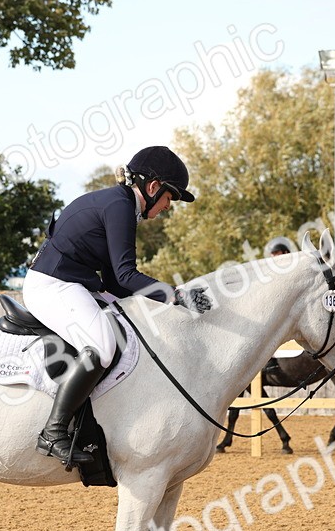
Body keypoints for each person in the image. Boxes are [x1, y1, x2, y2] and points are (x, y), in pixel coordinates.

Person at [23, 145, 212, 466]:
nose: (168, 206)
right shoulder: (119, 207)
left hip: (73, 284)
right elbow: (126, 275)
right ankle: (53, 431)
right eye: (169, 197)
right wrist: (176, 295)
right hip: (52, 285)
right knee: (102, 346)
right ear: (153, 187)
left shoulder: (121, 204)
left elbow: (115, 282)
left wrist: (165, 300)